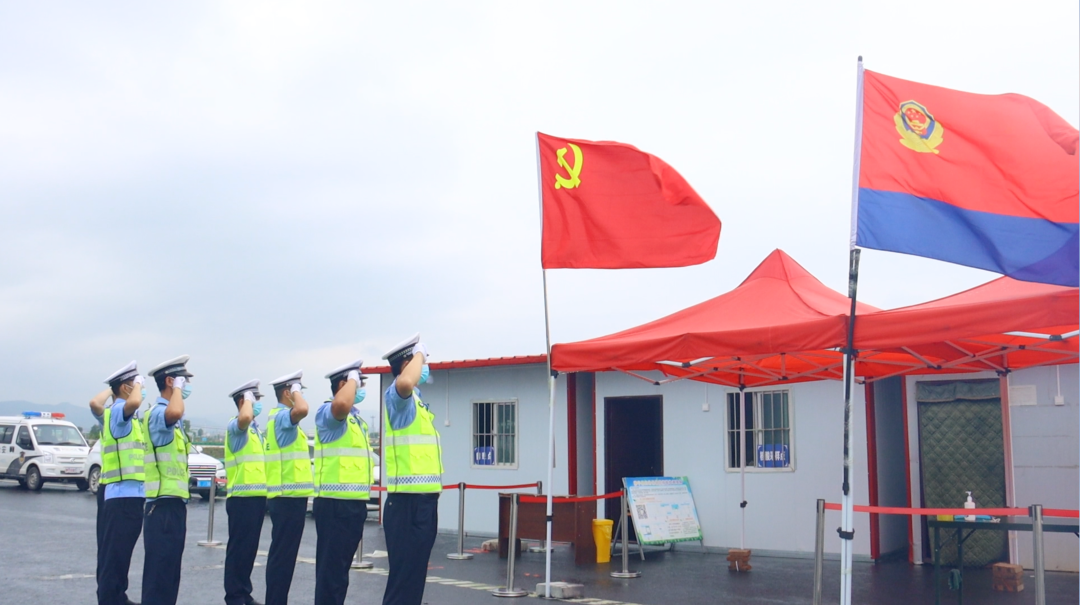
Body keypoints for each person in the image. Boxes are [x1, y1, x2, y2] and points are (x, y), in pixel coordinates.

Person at [380, 334, 442, 605]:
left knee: (414, 579)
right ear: (407, 364)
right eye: (420, 362)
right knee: (403, 581)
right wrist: (420, 352)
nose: (424, 367)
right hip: (406, 504)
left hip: (423, 502)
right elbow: (405, 382)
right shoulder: (398, 397)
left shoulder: (417, 402)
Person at [313, 359, 373, 605]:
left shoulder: (356, 420)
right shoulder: (328, 412)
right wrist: (351, 379)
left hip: (352, 504)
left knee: (340, 574)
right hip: (334, 504)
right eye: (357, 383)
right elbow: (341, 404)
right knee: (331, 574)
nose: (360, 388)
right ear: (343, 385)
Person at [90, 360, 146, 605]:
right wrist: (123, 389)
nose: (140, 388)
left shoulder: (120, 416)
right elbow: (132, 402)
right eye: (135, 383)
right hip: (121, 493)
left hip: (126, 492)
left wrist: (116, 388)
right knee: (114, 554)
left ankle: (117, 596)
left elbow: (96, 404)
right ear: (126, 388)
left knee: (118, 553)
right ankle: (110, 599)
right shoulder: (120, 411)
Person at [142, 355, 193, 605]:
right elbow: (175, 410)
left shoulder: (174, 420)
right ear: (171, 381)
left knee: (170, 574)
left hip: (174, 504)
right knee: (159, 575)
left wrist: (178, 389)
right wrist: (178, 390)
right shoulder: (158, 413)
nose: (188, 386)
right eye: (183, 380)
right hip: (161, 506)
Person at [264, 370, 313, 605]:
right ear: (287, 393)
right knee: (282, 557)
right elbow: (302, 409)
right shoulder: (283, 417)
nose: (300, 395)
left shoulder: (280, 418)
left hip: (289, 496)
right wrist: (295, 391)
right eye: (297, 390)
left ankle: (277, 599)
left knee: (284, 556)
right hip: (286, 497)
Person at [224, 380, 268, 605]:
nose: (257, 403)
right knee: (239, 550)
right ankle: (234, 597)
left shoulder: (255, 431)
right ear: (244, 401)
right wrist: (247, 403)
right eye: (254, 398)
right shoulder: (237, 426)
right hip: (241, 498)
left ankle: (244, 593)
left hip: (256, 498)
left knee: (249, 551)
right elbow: (245, 417)